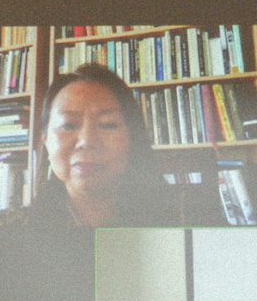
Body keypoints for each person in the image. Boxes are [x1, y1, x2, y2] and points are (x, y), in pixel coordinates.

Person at [32, 63, 175, 226]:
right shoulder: (6, 232)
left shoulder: (182, 222)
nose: (87, 141)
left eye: (108, 125)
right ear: (45, 139)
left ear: (133, 137)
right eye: (69, 125)